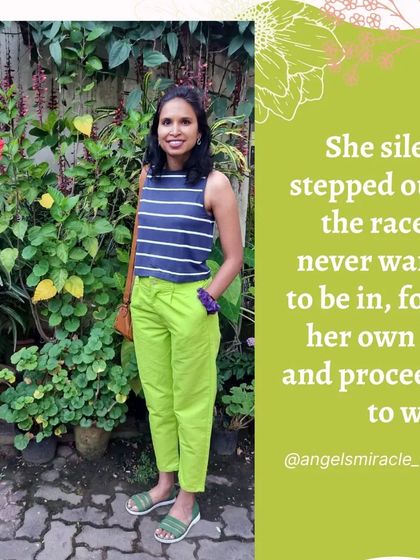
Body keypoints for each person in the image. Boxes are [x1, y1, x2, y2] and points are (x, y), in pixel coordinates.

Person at [125, 85, 243, 544]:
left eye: (185, 122)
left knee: (191, 404)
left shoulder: (214, 184)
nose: (174, 130)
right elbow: (141, 238)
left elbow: (233, 257)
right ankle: (164, 482)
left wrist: (207, 300)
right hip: (147, 299)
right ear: (157, 130)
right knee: (158, 398)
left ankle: (188, 498)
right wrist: (133, 294)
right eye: (166, 122)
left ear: (199, 131)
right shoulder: (147, 176)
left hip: (189, 303)